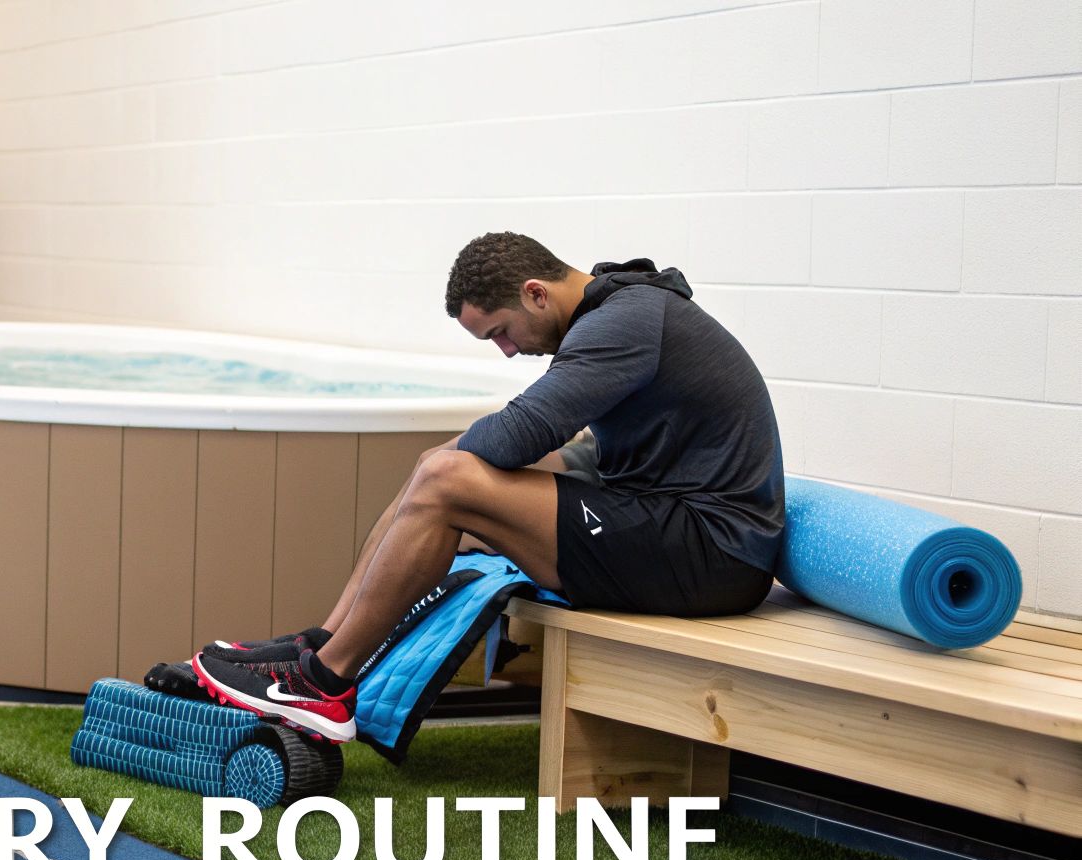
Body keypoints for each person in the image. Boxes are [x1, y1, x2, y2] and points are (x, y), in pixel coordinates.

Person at [193, 231, 785, 743]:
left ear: (535, 291)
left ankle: (323, 683)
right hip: (677, 529)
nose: (507, 351)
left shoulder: (622, 324)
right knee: (439, 467)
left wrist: (449, 474)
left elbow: (515, 438)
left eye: (501, 332)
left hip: (713, 554)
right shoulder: (618, 311)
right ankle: (320, 646)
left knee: (447, 474)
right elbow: (568, 449)